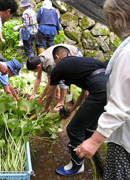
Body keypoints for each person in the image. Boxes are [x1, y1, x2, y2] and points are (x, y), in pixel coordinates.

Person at [74, 0, 130, 179]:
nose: (110, 26)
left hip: (127, 144)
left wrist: (94, 142)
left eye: (110, 19)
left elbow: (121, 105)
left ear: (119, 18)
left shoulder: (129, 53)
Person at [41, 46, 108, 176]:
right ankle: (85, 147)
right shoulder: (80, 63)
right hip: (112, 85)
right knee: (91, 122)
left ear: (57, 58)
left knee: (73, 129)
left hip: (100, 90)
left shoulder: (59, 67)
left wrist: (45, 108)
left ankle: (77, 165)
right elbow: (84, 92)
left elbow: (50, 94)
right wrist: (73, 108)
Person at [27, 44, 82, 111]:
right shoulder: (38, 60)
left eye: (34, 71)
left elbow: (50, 84)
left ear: (38, 66)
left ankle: (61, 102)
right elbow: (38, 78)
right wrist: (33, 94)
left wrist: (41, 98)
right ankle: (58, 94)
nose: (34, 72)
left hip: (74, 53)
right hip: (60, 54)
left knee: (62, 80)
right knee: (53, 77)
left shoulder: (50, 65)